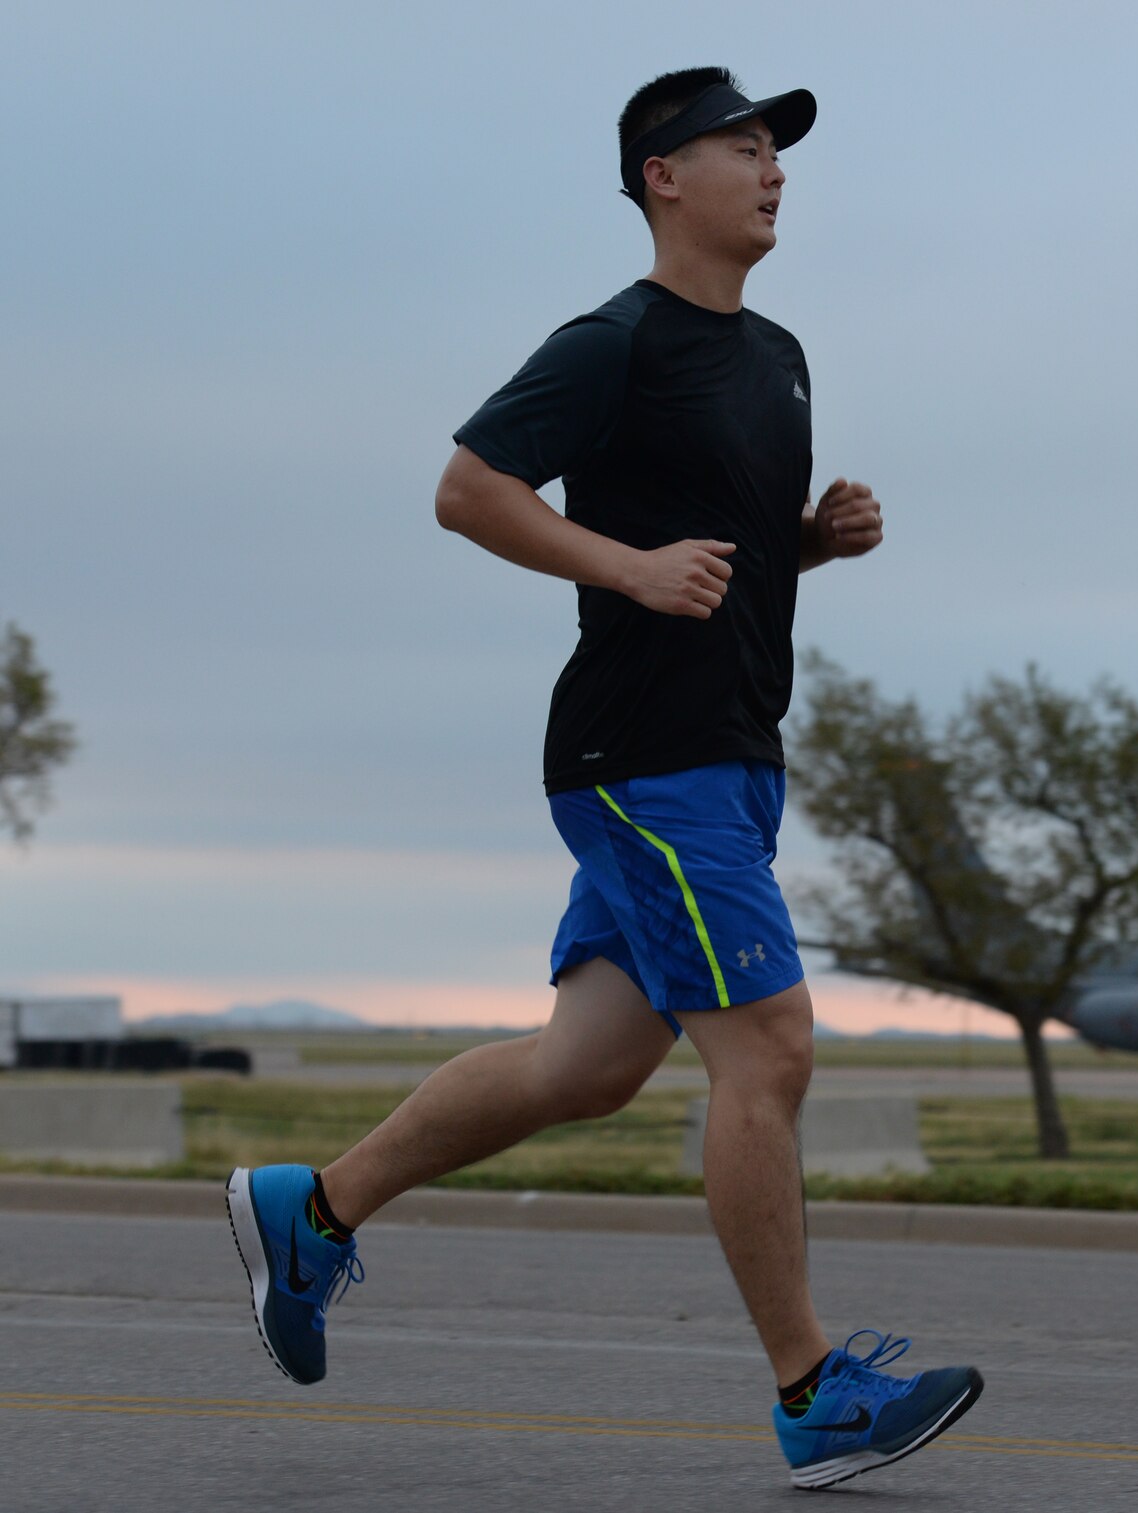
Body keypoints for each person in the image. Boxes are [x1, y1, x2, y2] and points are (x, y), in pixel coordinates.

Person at [224, 66, 983, 1491]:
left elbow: (726, 546)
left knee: (586, 1067)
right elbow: (469, 488)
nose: (774, 169)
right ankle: (813, 1391)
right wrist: (625, 566)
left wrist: (813, 540)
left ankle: (311, 1209)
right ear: (661, 176)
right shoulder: (609, 342)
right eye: (744, 144)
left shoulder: (779, 358)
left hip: (736, 753)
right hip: (646, 759)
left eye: (779, 150)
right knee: (770, 1049)